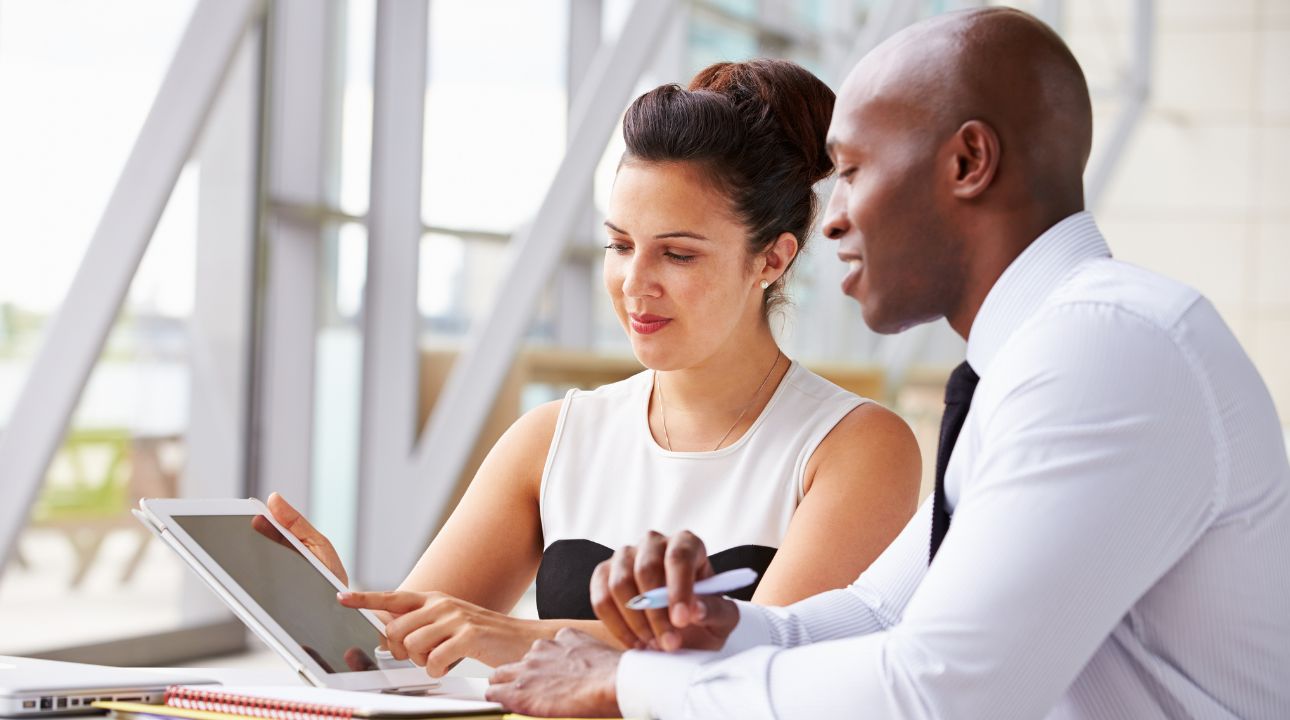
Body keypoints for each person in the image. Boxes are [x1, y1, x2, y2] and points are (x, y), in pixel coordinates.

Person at [485, 8, 1290, 719]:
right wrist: (720, 630)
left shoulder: (1106, 349)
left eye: (858, 170)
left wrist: (633, 685)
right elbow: (878, 614)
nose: (831, 221)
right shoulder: (1036, 359)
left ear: (968, 162)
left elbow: (936, 694)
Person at [270, 59, 922, 678]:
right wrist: (334, 604)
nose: (635, 283)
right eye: (619, 245)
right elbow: (410, 651)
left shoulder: (856, 447)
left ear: (773, 260)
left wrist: (521, 638)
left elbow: (769, 663)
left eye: (678, 255)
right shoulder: (553, 438)